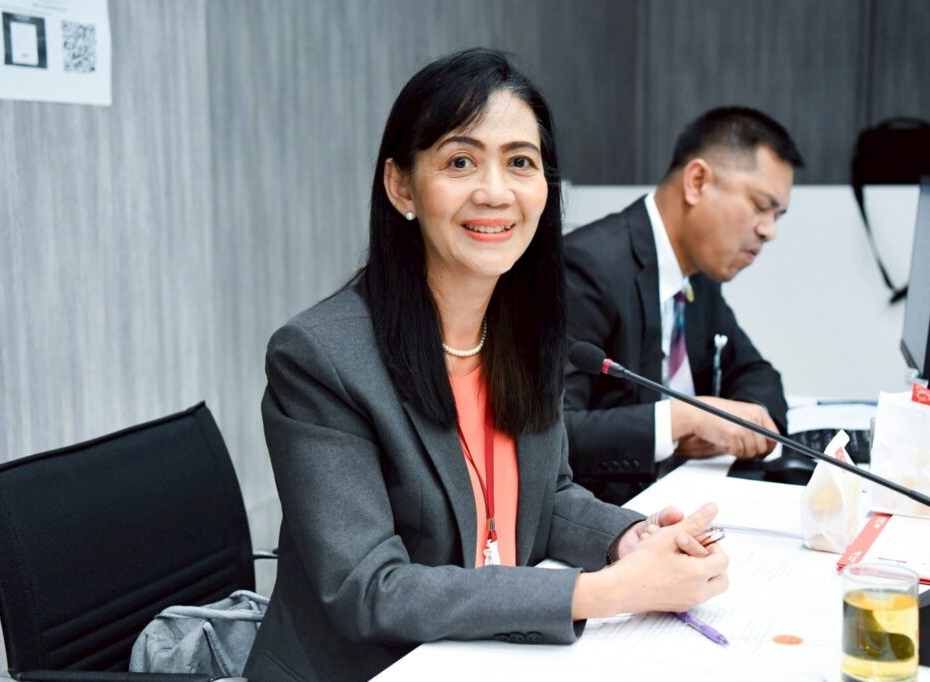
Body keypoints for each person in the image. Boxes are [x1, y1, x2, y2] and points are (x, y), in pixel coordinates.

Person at [244, 49, 728, 682]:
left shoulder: (520, 333)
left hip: (485, 660)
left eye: (520, 162)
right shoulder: (321, 358)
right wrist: (605, 592)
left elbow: (546, 498)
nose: (495, 192)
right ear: (401, 187)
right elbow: (370, 589)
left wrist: (625, 538)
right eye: (460, 161)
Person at [564, 107, 804, 504]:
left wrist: (741, 421)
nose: (769, 231)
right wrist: (682, 420)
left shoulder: (698, 272)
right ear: (697, 182)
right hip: (616, 516)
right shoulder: (588, 266)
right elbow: (553, 435)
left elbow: (756, 372)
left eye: (777, 215)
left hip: (691, 498)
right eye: (761, 206)